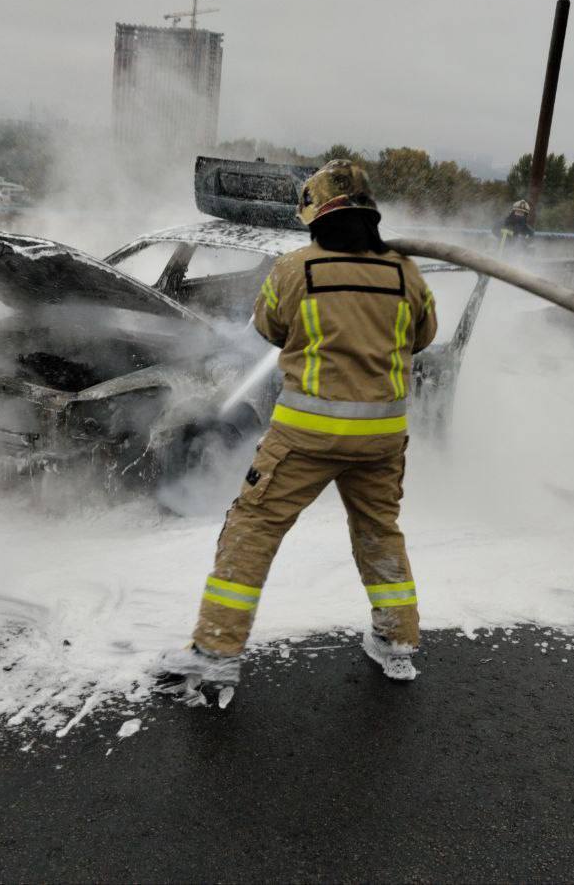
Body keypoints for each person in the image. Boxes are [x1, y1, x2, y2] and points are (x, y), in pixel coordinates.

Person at [158, 159, 438, 707]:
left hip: (305, 437)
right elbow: (423, 337)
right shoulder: (407, 272)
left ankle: (216, 652)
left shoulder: (294, 268)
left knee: (253, 528)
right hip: (381, 438)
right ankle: (396, 641)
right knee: (380, 530)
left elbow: (267, 328)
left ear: (313, 215)